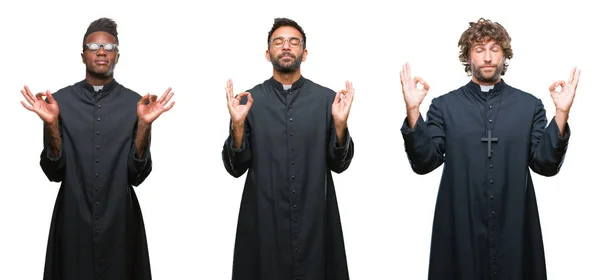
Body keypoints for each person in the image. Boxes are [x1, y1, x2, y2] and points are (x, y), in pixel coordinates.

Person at [399, 18, 580, 279]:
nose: (487, 57)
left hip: (514, 227)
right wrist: (413, 110)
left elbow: (546, 164)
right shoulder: (444, 106)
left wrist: (561, 113)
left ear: (505, 56)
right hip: (459, 227)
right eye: (479, 49)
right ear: (467, 56)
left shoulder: (529, 106)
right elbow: (424, 162)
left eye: (495, 49)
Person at [19, 17, 174, 280]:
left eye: (109, 47)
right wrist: (52, 124)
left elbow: (137, 175)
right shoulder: (59, 102)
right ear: (82, 55)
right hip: (72, 222)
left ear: (117, 56)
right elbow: (54, 172)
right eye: (93, 46)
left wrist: (145, 125)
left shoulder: (136, 104)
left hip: (120, 222)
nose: (101, 51)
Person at [221, 17, 355, 280]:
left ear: (304, 54)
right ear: (267, 52)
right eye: (278, 42)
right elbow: (235, 168)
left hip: (314, 221)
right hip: (263, 223)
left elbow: (340, 164)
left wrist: (340, 125)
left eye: (294, 42)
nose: (286, 47)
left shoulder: (328, 100)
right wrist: (238, 125)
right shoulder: (248, 101)